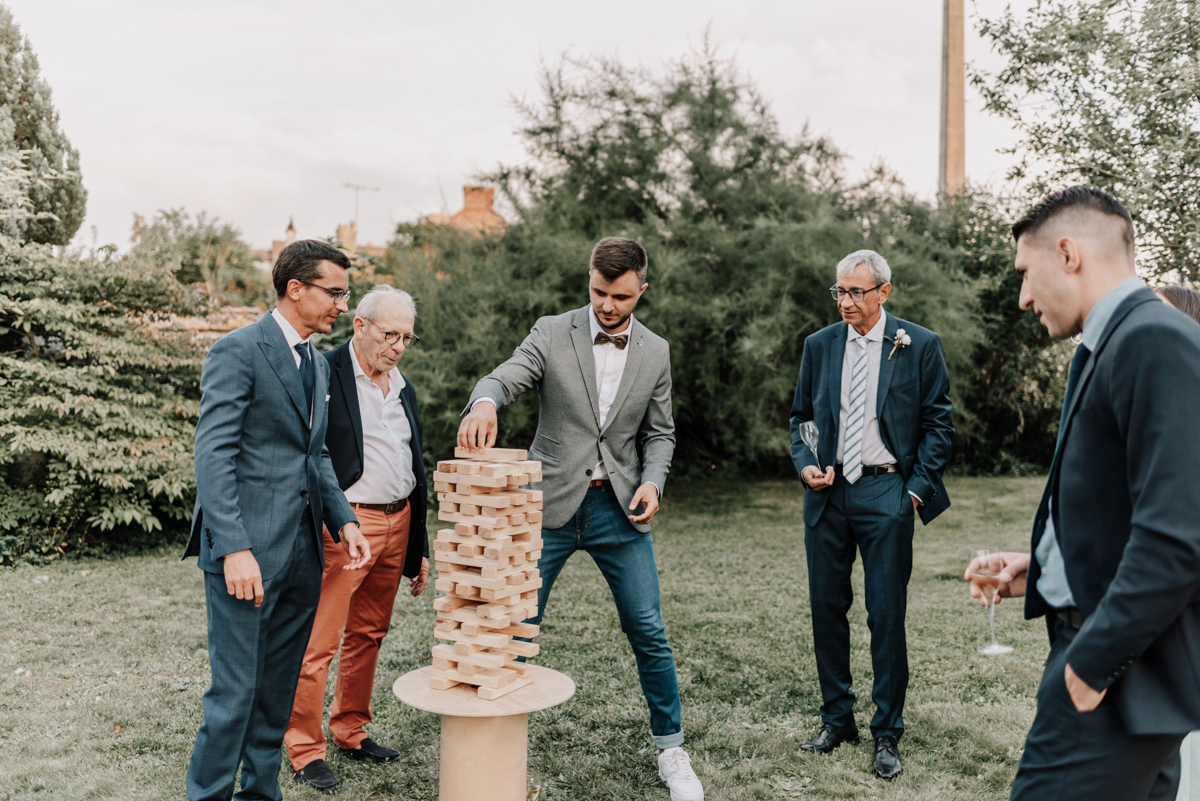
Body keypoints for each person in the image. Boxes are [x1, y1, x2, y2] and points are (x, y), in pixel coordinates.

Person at [965, 187, 1200, 801]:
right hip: (1122, 669)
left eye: (1025, 272)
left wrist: (1089, 666)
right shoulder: (1107, 345)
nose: (1022, 296)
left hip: (1119, 675)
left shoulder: (1155, 339)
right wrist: (1040, 567)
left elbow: (1176, 537)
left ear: (1067, 252)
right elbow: (1118, 509)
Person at [456, 237, 705, 801]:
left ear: (642, 288)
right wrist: (485, 401)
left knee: (649, 632)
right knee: (514, 627)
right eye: (598, 292)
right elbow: (508, 375)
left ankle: (672, 750)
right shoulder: (551, 330)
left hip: (620, 511)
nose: (607, 306)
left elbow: (660, 433)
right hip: (546, 507)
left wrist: (652, 479)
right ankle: (494, 750)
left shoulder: (656, 351)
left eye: (620, 297)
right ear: (589, 280)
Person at [183, 239, 371, 801]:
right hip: (246, 556)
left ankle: (260, 795)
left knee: (276, 692)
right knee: (235, 694)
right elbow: (213, 455)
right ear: (296, 289)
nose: (343, 305)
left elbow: (315, 454)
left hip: (303, 556)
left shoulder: (315, 362)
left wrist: (345, 521)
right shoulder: (237, 351)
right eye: (335, 293)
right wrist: (233, 547)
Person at [788, 249, 953, 781]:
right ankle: (837, 720)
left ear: (884, 292)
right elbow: (802, 421)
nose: (845, 302)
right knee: (825, 608)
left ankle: (887, 732)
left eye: (856, 292)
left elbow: (939, 425)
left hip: (888, 492)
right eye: (839, 291)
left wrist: (914, 493)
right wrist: (808, 464)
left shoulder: (918, 344)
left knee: (886, 616)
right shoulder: (819, 345)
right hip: (829, 496)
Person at [285, 285, 431, 792]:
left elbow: (416, 466)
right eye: (390, 333)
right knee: (319, 642)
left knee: (369, 634)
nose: (397, 346)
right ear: (360, 326)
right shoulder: (322, 372)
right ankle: (304, 749)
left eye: (407, 337)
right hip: (347, 525)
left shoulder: (403, 385)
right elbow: (307, 454)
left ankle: (350, 728)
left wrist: (420, 547)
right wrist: (335, 518)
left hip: (400, 521)